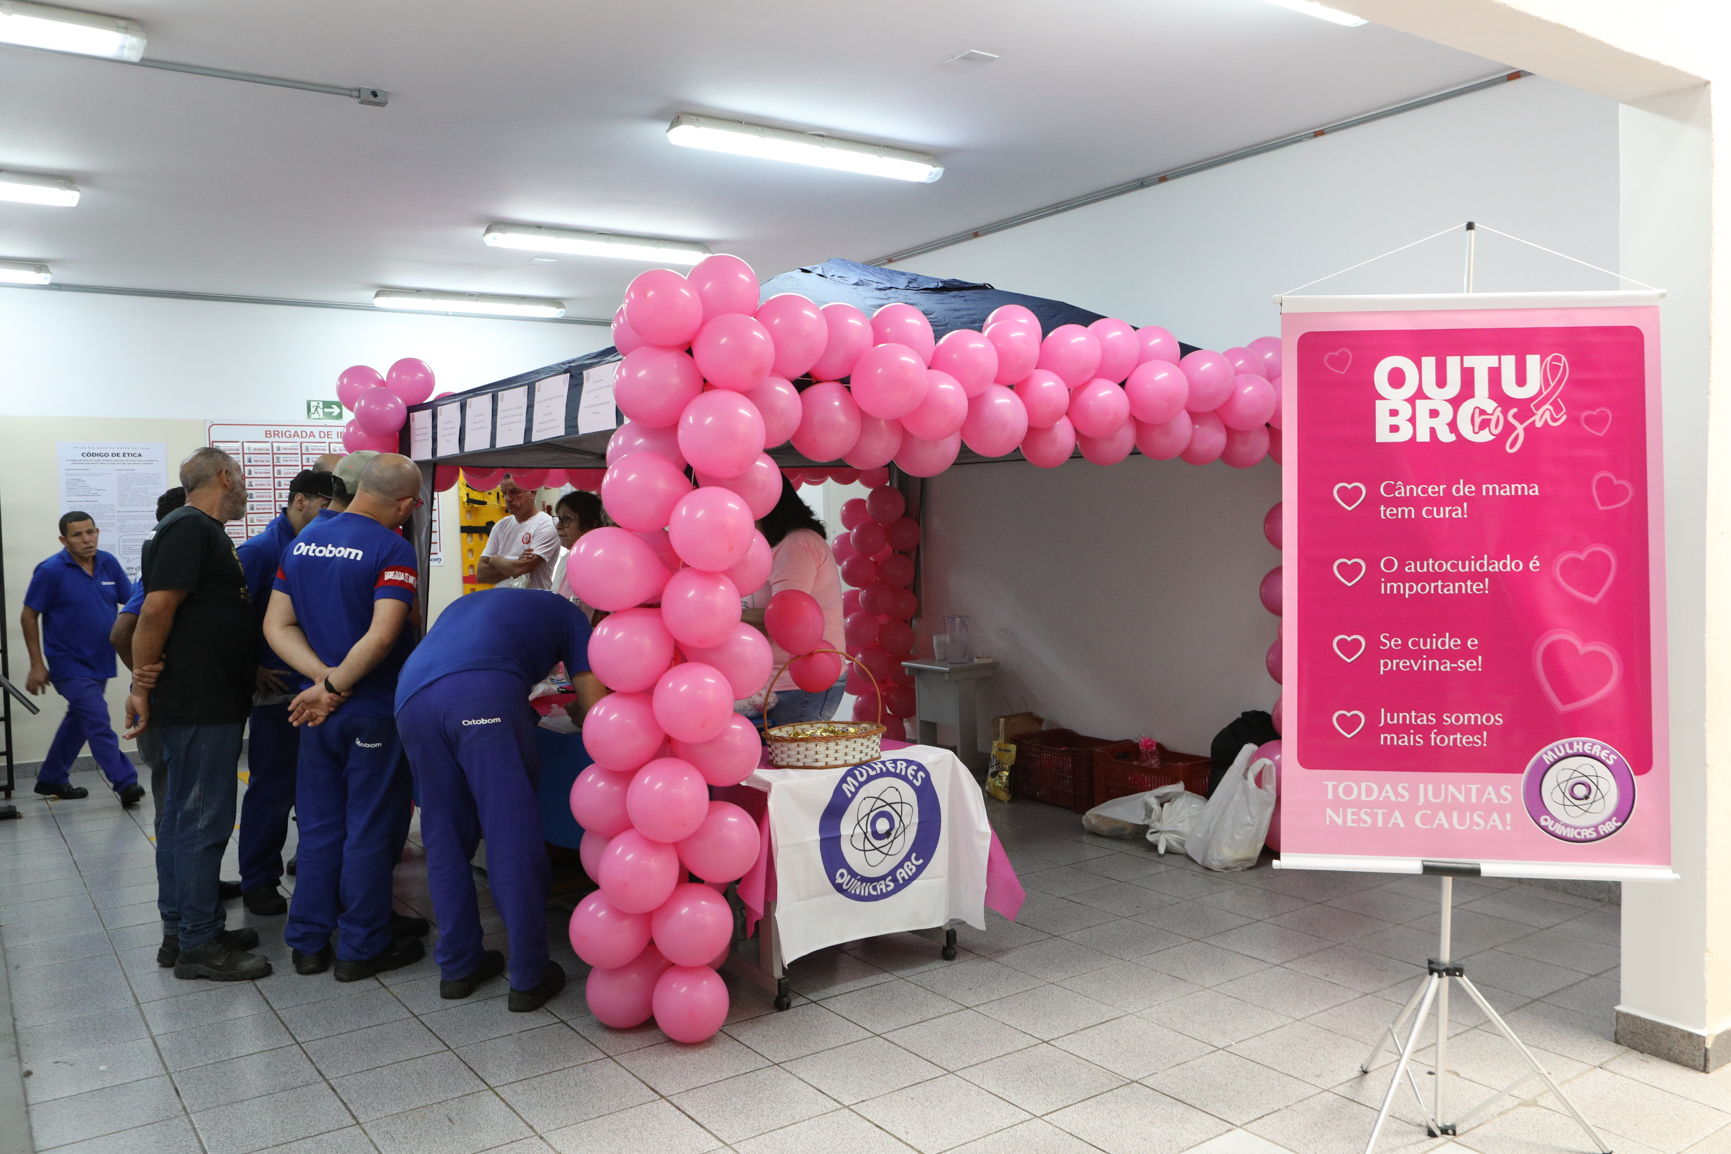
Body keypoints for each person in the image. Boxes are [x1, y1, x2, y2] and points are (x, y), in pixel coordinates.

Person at [395, 589, 609, 1010]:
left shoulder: (483, 604)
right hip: (480, 697)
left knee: (445, 838)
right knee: (511, 834)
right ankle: (529, 976)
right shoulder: (573, 618)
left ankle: (458, 967)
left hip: (411, 700)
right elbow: (596, 709)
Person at [264, 453, 427, 981]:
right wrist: (334, 685)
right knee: (370, 831)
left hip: (315, 715)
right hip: (373, 713)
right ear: (403, 503)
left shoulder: (303, 540)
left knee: (318, 827)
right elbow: (383, 635)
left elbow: (276, 625)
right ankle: (361, 947)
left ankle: (308, 942)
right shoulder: (392, 547)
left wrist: (319, 683)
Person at [128, 448, 269, 981]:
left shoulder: (202, 531)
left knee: (187, 821)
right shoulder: (188, 528)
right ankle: (197, 944)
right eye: (243, 481)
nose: (247, 492)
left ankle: (184, 927)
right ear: (225, 477)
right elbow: (155, 611)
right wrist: (142, 684)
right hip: (198, 705)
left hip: (208, 700)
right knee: (200, 824)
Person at [234, 469, 333, 916]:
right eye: (323, 507)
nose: (330, 517)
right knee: (271, 791)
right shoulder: (258, 551)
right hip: (278, 693)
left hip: (318, 688)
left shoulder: (321, 547)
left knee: (315, 791)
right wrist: (251, 667)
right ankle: (258, 880)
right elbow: (230, 619)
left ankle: (312, 871)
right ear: (299, 501)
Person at [23, 511, 141, 803]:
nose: (86, 539)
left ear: (98, 532)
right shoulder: (50, 571)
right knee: (97, 719)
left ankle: (51, 777)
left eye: (90, 532)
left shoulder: (108, 563)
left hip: (100, 660)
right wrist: (37, 664)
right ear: (64, 539)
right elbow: (28, 615)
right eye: (77, 534)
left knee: (80, 720)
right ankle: (126, 783)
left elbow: (131, 602)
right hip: (68, 663)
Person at [743, 476, 847, 725]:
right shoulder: (767, 548)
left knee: (789, 761)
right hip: (773, 683)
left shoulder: (796, 545)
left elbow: (786, 621)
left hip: (798, 684)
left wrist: (721, 618)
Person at [478, 475, 559, 590]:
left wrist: (496, 560)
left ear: (532, 492)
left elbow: (520, 569)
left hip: (533, 604)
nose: (507, 498)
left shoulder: (547, 524)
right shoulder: (500, 526)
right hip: (503, 603)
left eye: (514, 492)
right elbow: (481, 574)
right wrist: (516, 562)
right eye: (504, 493)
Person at [548, 489, 604, 617]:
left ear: (592, 523)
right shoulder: (566, 559)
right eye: (559, 518)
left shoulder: (602, 563)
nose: (559, 526)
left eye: (567, 519)